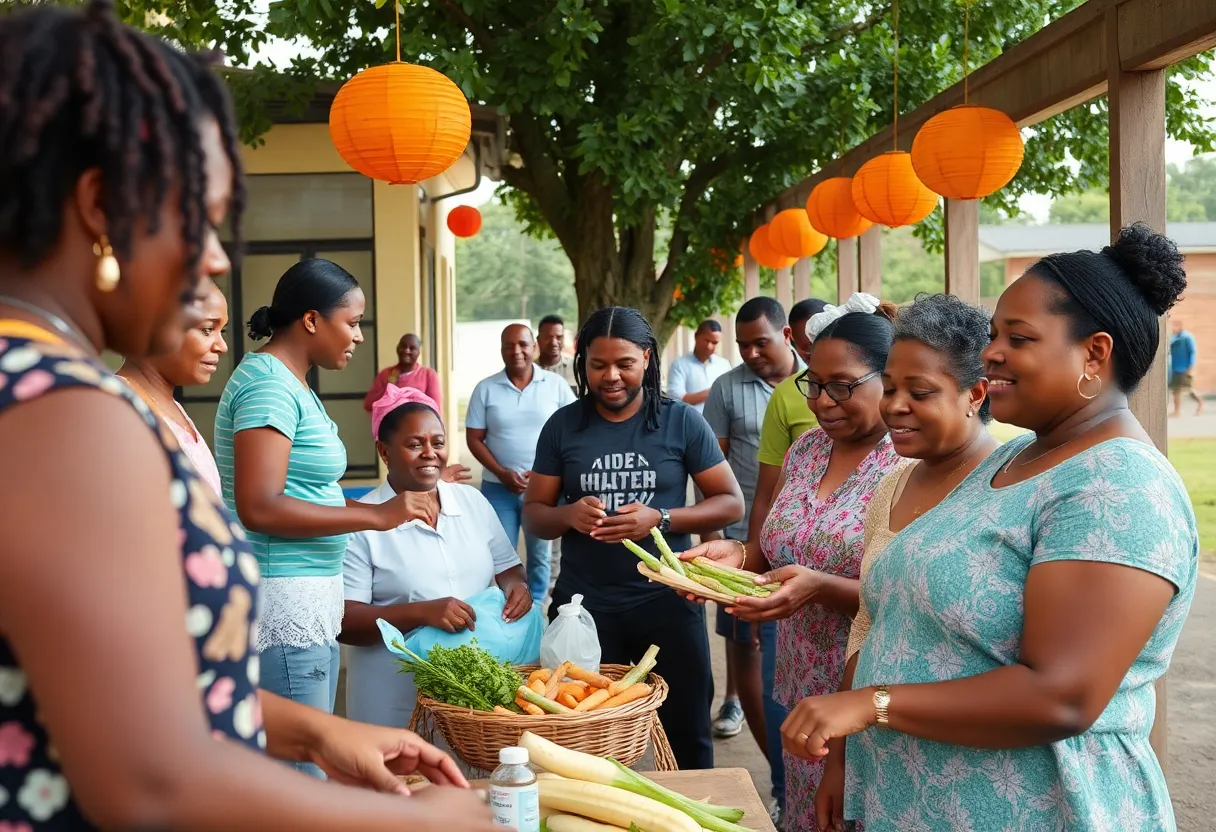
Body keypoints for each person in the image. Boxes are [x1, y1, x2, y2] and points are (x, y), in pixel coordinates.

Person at [0, 3, 494, 828]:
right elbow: (149, 778)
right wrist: (426, 820)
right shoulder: (61, 412)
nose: (221, 259)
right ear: (100, 207)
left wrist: (315, 730)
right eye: (206, 219)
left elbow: (125, 689)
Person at [786, 225, 1197, 832]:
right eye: (995, 335)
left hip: (1037, 808)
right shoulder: (1013, 460)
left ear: (1094, 353)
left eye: (1018, 338)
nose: (991, 353)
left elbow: (1061, 695)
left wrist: (870, 705)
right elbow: (892, 618)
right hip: (917, 801)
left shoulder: (1118, 487)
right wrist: (847, 760)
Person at [683, 294, 904, 830]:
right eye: (814, 383)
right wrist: (733, 556)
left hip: (873, 696)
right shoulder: (806, 452)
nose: (823, 402)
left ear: (890, 380)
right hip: (800, 678)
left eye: (842, 386)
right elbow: (772, 548)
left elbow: (909, 595)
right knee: (807, 810)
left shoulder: (910, 464)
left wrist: (820, 588)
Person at [215, 259, 425, 761]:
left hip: (309, 599)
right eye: (351, 322)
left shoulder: (291, 382)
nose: (357, 336)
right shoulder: (269, 385)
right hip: (284, 600)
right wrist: (373, 516)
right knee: (301, 772)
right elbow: (260, 506)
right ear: (312, 320)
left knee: (309, 762)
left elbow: (303, 491)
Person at [522, 306, 745, 770]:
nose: (611, 376)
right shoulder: (564, 426)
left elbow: (729, 502)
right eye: (598, 364)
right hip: (586, 611)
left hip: (669, 606)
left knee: (687, 735)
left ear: (647, 358)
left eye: (624, 363)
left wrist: (660, 517)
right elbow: (535, 518)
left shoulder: (681, 421)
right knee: (584, 743)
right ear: (582, 362)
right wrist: (567, 513)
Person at [812, 294, 999, 830]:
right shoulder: (892, 487)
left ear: (975, 394)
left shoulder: (1011, 487)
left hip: (975, 771)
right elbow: (866, 624)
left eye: (919, 393)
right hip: (885, 763)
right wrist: (841, 762)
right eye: (890, 388)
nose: (894, 406)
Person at [341, 385, 532, 729]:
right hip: (392, 699)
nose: (430, 453)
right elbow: (344, 621)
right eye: (415, 445)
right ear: (384, 452)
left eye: (438, 443)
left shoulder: (470, 502)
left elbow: (509, 568)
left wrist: (517, 588)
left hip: (470, 699)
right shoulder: (363, 521)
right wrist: (421, 612)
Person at [703, 297, 802, 821]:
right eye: (743, 345)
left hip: (807, 547)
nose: (751, 353)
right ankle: (780, 776)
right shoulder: (727, 388)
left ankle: (794, 782)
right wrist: (724, 549)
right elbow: (713, 470)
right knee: (746, 647)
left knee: (788, 658)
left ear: (787, 335)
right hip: (743, 544)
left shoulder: (817, 382)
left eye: (760, 342)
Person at [467, 323, 576, 603]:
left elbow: (574, 432)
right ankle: (504, 609)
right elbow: (474, 439)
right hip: (498, 489)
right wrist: (502, 473)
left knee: (541, 556)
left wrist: (550, 472)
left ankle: (537, 608)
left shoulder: (556, 386)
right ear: (501, 350)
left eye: (523, 344)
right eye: (509, 345)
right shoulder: (486, 388)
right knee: (499, 556)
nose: (516, 351)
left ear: (534, 347)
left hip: (543, 489)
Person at [117, 278, 229, 496]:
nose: (222, 346)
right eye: (207, 330)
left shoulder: (169, 406)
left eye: (221, 332)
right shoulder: (122, 412)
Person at [363, 332, 442, 413]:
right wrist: (388, 387)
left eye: (412, 348)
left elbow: (435, 408)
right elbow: (368, 404)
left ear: (418, 352)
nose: (406, 351)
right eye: (403, 346)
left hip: (417, 424)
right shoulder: (386, 374)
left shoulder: (428, 374)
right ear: (397, 348)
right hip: (390, 424)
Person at [666, 319, 731, 413]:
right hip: (690, 424)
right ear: (696, 336)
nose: (709, 346)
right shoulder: (679, 365)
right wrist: (714, 391)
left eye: (714, 343)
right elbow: (676, 399)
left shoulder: (724, 365)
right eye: (706, 340)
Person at [1169, 318, 1203, 417]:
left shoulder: (1187, 337)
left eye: (1176, 325)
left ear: (1181, 326)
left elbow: (1193, 353)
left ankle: (1200, 404)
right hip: (1175, 368)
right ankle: (1177, 411)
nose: (1173, 327)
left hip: (1185, 369)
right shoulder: (1174, 338)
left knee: (1189, 390)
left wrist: (1190, 368)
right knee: (1176, 390)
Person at [537, 313, 578, 392]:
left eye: (559, 337)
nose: (554, 343)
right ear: (538, 340)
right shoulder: (529, 370)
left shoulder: (577, 368)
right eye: (548, 338)